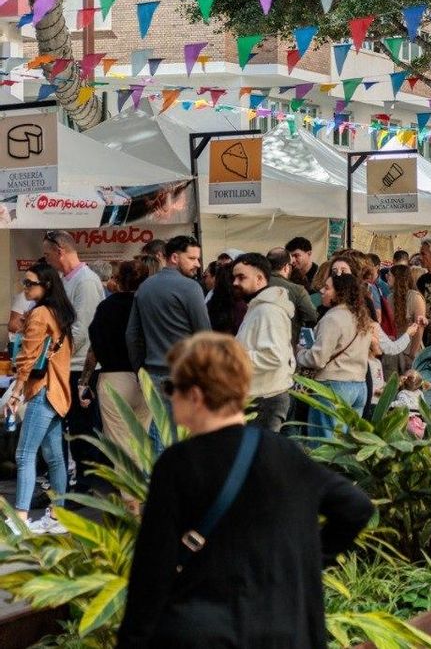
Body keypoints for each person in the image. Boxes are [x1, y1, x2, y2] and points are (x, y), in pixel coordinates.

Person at [117, 333, 373, 648]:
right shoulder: (286, 453)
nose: (169, 397)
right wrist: (309, 561)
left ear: (195, 395)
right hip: (286, 633)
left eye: (172, 388)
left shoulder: (178, 464)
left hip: (205, 632)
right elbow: (356, 507)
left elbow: (152, 571)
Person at [5, 263, 74, 535]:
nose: (25, 288)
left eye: (30, 283)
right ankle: (58, 516)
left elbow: (27, 357)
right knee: (54, 457)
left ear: (46, 286)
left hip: (42, 390)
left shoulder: (40, 313)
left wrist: (16, 392)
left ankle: (20, 517)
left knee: (24, 454)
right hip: (57, 391)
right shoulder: (59, 313)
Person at [42, 230, 105, 490]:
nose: (46, 259)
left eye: (47, 253)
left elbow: (82, 330)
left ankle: (85, 484)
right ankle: (69, 481)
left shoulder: (86, 281)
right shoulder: (64, 280)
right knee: (69, 427)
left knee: (81, 429)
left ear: (60, 251)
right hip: (65, 365)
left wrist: (51, 353)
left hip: (80, 368)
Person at [127, 235, 211, 423]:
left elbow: (132, 335)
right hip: (184, 374)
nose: (197, 264)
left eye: (197, 259)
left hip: (153, 373)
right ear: (174, 257)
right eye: (192, 258)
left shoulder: (145, 287)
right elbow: (204, 335)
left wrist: (140, 370)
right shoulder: (191, 288)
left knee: (159, 431)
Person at [85, 260, 153, 463]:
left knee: (119, 445)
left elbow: (94, 348)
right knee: (140, 442)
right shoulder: (148, 305)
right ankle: (140, 482)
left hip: (114, 378)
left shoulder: (106, 307)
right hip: (145, 377)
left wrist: (83, 381)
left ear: (119, 280)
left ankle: (127, 484)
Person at [296, 273, 375, 436]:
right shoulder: (362, 318)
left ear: (340, 293)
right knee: (346, 444)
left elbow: (318, 359)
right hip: (359, 386)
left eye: (327, 288)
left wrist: (300, 353)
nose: (322, 291)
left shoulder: (332, 318)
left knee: (325, 443)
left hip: (333, 387)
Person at [231, 254, 296, 433]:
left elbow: (274, 356)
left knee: (259, 451)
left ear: (260, 279)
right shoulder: (259, 307)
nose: (235, 282)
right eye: (234, 277)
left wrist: (231, 358)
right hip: (261, 396)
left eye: (241, 277)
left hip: (266, 399)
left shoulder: (268, 310)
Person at [266, 247, 318, 346]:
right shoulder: (297, 290)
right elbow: (312, 316)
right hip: (286, 343)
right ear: (286, 267)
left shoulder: (257, 284)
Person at [387, 262, 426, 369]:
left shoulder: (415, 297)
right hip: (396, 349)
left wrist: (412, 354)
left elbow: (419, 328)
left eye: (390, 275)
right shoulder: (390, 298)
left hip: (411, 349)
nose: (387, 278)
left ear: (398, 278)